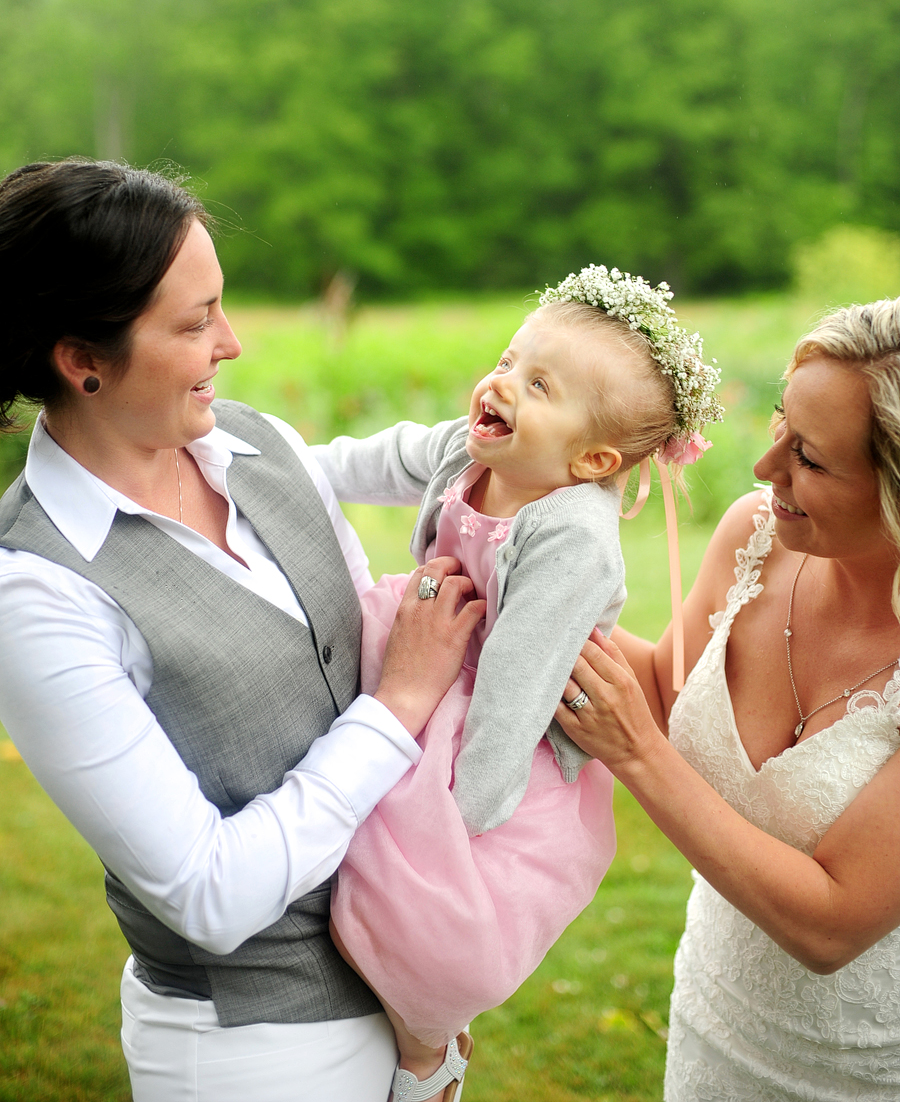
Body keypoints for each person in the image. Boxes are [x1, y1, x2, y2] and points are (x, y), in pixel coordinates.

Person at [0, 158, 487, 1102]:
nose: (232, 343)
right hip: (254, 1051)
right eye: (193, 323)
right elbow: (205, 894)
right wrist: (402, 706)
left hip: (410, 999)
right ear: (81, 359)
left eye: (221, 306)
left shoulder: (257, 445)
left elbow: (410, 478)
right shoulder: (35, 592)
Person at [313, 265, 723, 1102]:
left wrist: (455, 825)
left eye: (537, 385)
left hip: (505, 743)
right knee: (354, 833)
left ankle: (426, 1056)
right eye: (508, 359)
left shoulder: (572, 537)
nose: (499, 383)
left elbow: (516, 688)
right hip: (438, 664)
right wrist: (283, 468)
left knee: (424, 921)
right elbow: (382, 455)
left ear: (593, 458)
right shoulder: (479, 448)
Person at [555, 297, 900, 1100]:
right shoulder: (756, 535)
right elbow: (672, 690)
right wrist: (521, 591)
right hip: (717, 1023)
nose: (764, 467)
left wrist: (636, 754)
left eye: (809, 460)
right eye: (781, 423)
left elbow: (830, 924)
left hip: (865, 1067)